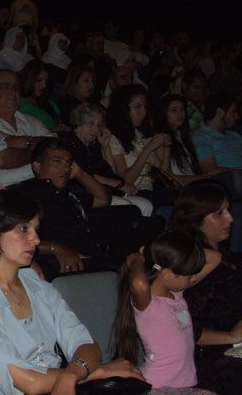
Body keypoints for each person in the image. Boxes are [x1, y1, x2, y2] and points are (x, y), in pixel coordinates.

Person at [0, 189, 144, 395]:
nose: (35, 239)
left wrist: (71, 375)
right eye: (23, 229)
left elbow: (88, 346)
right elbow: (30, 382)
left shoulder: (37, 284)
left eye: (35, 229)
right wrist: (96, 372)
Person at [114, 232, 240, 395]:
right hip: (155, 389)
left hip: (188, 389)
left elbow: (215, 257)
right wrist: (138, 260)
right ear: (167, 274)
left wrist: (161, 252)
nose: (193, 279)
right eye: (189, 275)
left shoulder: (177, 294)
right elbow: (139, 284)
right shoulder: (148, 305)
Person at [13, 138, 160, 280]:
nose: (65, 168)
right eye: (57, 162)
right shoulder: (26, 193)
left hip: (91, 252)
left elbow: (104, 199)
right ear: (37, 166)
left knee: (146, 225)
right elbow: (11, 234)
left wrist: (79, 173)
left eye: (68, 163)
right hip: (62, 262)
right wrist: (56, 248)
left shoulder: (70, 192)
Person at [171, 181, 242, 395]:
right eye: (219, 213)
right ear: (197, 221)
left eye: (228, 210)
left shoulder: (230, 259)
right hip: (208, 362)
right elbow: (182, 328)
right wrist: (232, 336)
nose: (230, 218)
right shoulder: (187, 270)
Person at [63, 103, 153, 216]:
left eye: (99, 125)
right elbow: (87, 176)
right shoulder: (70, 145)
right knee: (127, 207)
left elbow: (110, 171)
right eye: (90, 124)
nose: (95, 129)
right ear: (78, 123)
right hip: (88, 193)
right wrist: (120, 185)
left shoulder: (93, 145)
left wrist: (106, 147)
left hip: (107, 191)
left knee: (146, 205)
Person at [0, 70, 54, 187]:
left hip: (41, 183)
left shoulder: (30, 120)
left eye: (16, 87)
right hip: (7, 189)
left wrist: (24, 141)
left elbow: (55, 146)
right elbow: (1, 160)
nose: (12, 91)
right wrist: (39, 152)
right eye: (5, 86)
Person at [105, 84, 170, 202]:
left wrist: (166, 148)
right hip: (132, 192)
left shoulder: (140, 134)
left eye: (145, 107)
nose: (143, 112)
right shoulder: (113, 137)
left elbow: (165, 173)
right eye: (137, 107)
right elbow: (125, 180)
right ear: (123, 109)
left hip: (151, 189)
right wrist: (148, 149)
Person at [192, 94, 242, 198]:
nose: (237, 117)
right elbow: (209, 170)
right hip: (227, 181)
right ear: (220, 112)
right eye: (233, 112)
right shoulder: (201, 136)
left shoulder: (235, 135)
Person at [17, 59, 65, 131]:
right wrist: (53, 130)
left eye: (46, 81)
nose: (44, 85)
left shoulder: (49, 102)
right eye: (39, 80)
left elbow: (60, 123)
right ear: (29, 79)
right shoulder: (19, 104)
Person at [58, 63, 98, 128]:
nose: (91, 85)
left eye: (93, 81)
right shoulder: (66, 103)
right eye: (86, 81)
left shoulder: (94, 103)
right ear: (74, 82)